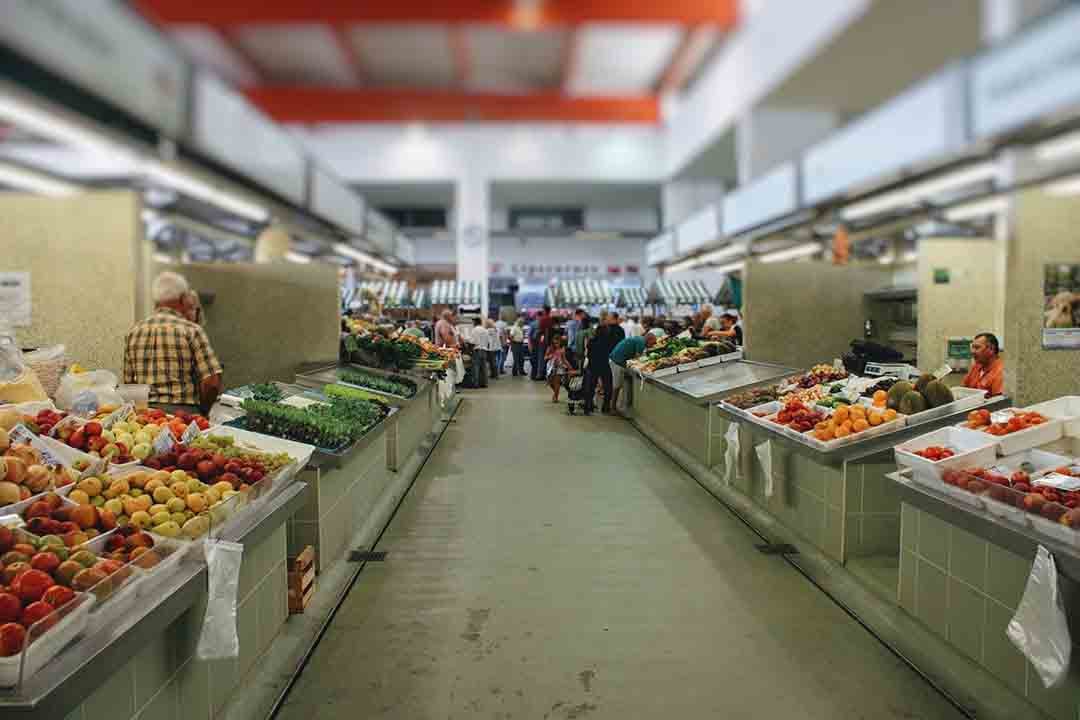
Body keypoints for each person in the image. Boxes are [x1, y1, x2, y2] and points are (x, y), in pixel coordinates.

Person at [123, 271, 223, 414]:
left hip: (146, 417)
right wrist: (203, 411)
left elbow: (130, 387)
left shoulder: (133, 332)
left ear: (156, 301)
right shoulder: (192, 330)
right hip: (183, 416)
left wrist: (141, 417)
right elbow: (212, 383)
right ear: (183, 299)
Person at [608, 333, 658, 414]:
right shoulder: (641, 343)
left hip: (616, 360)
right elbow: (638, 359)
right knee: (617, 386)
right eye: (653, 343)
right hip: (617, 362)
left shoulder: (639, 339)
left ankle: (620, 406)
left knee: (620, 385)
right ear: (649, 339)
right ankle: (612, 407)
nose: (653, 345)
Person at [584, 311, 616, 415]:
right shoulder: (608, 342)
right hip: (604, 365)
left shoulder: (591, 342)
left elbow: (588, 354)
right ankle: (605, 407)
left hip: (592, 365)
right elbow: (611, 352)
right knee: (608, 386)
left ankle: (588, 407)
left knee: (590, 387)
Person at [545, 335, 575, 402]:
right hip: (551, 367)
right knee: (550, 383)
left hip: (559, 367)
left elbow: (564, 359)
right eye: (555, 343)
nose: (556, 345)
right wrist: (550, 356)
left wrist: (569, 367)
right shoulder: (550, 348)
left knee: (557, 383)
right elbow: (545, 357)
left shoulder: (562, 349)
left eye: (558, 343)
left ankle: (555, 396)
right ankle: (556, 392)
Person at [531, 305, 554, 381]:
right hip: (550, 341)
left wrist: (537, 338)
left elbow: (541, 331)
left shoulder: (543, 320)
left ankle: (540, 374)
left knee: (541, 358)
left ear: (544, 311)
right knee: (548, 358)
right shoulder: (551, 319)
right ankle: (547, 373)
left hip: (542, 341)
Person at [467, 317, 489, 388]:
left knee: (476, 367)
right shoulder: (485, 330)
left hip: (477, 350)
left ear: (476, 322)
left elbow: (472, 341)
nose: (473, 324)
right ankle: (484, 383)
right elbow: (488, 341)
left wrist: (467, 343)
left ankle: (475, 384)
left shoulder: (475, 330)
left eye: (473, 322)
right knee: (484, 368)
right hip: (484, 350)